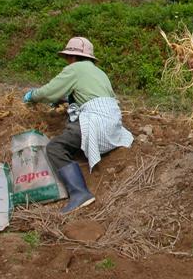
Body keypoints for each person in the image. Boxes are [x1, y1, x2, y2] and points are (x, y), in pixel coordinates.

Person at [22, 37, 134, 213]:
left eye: (68, 57)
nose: (67, 60)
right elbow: (91, 95)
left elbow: (49, 91)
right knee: (72, 136)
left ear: (73, 57)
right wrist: (65, 99)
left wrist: (32, 96)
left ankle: (80, 193)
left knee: (55, 147)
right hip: (113, 123)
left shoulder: (75, 68)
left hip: (95, 120)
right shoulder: (99, 73)